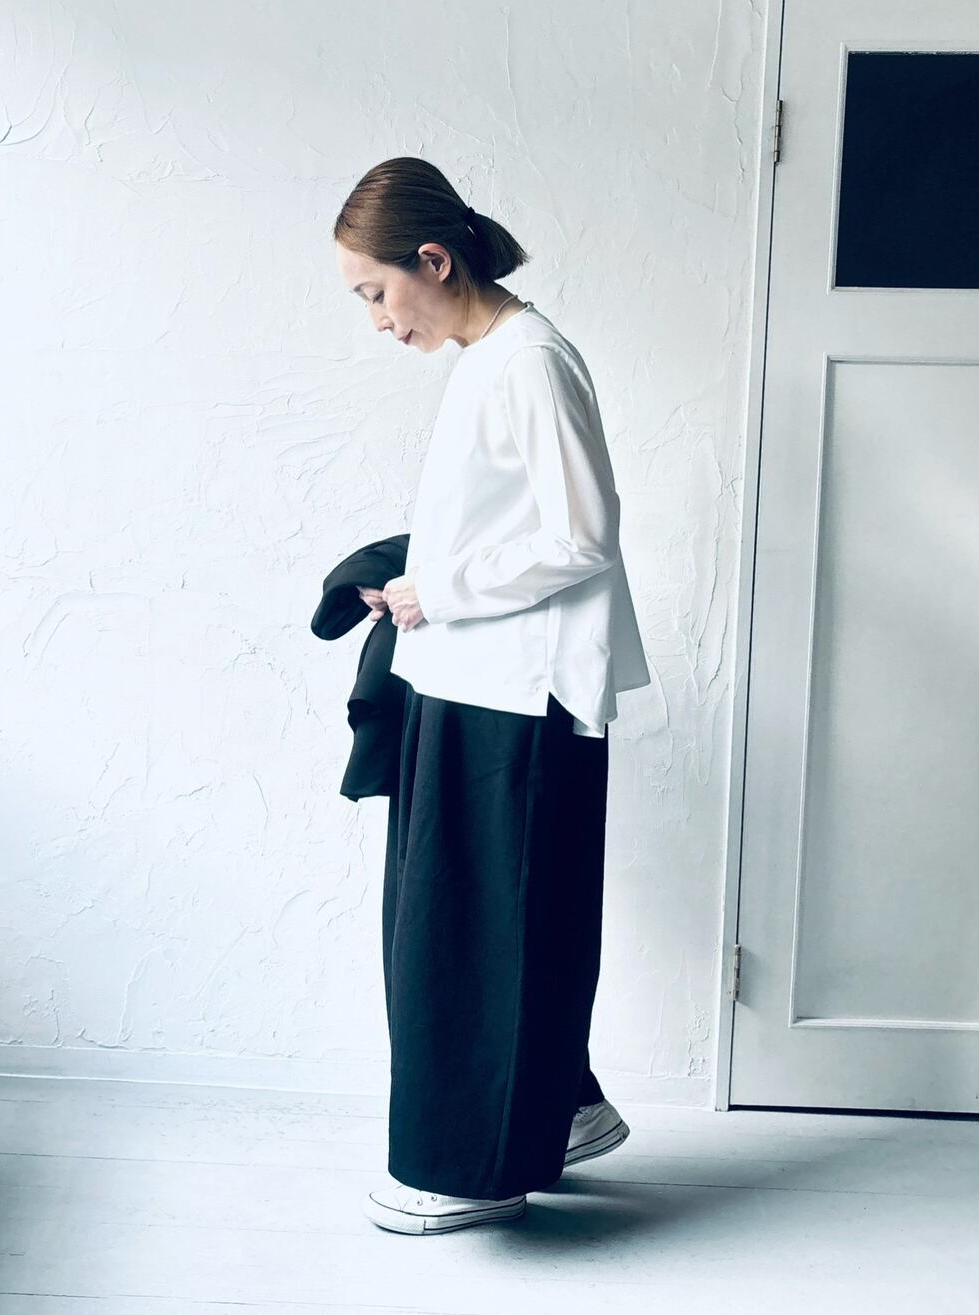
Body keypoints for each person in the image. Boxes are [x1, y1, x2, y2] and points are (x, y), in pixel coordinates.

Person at [332, 157, 652, 1236]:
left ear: (433, 260)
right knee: (489, 924)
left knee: (474, 937)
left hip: (517, 698)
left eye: (376, 292)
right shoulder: (488, 360)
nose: (377, 321)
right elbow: (501, 526)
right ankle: (562, 1112)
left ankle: (467, 1170)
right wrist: (410, 580)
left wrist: (440, 591)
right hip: (476, 683)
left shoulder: (529, 361)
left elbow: (583, 536)